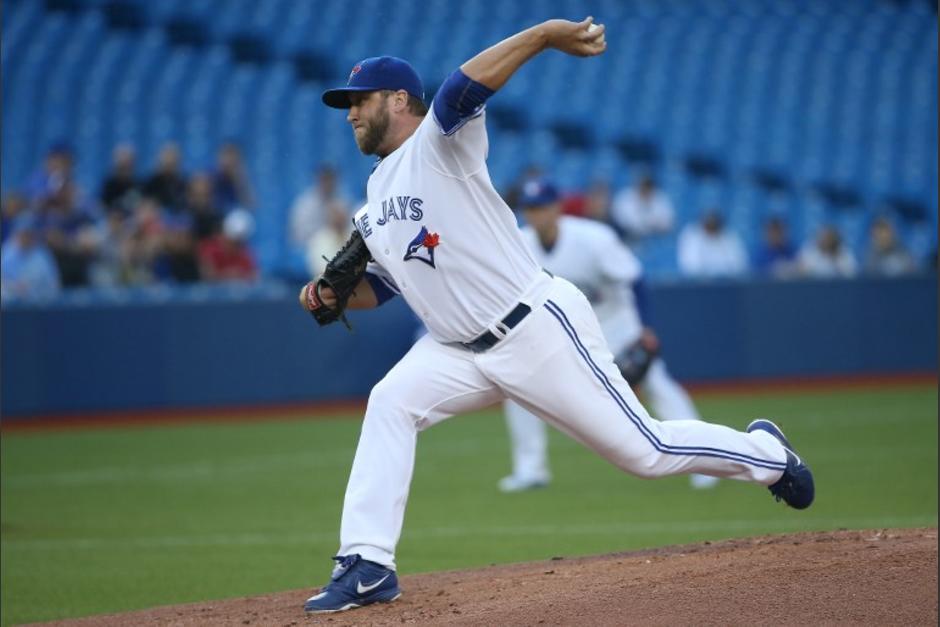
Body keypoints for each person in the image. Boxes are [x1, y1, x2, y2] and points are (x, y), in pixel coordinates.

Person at [299, 18, 813, 615]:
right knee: (390, 402)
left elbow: (461, 88)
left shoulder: (441, 142)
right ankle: (367, 564)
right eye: (346, 105)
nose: (349, 113)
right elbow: (382, 291)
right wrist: (331, 297)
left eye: (358, 101)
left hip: (533, 329)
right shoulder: (374, 202)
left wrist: (543, 35)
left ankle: (768, 456)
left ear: (396, 100)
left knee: (644, 452)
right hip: (455, 351)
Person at [499, 178, 718, 492]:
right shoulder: (520, 243)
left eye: (542, 207)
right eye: (530, 209)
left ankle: (705, 463)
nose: (536, 215)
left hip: (617, 325)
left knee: (656, 384)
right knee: (518, 385)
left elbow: (636, 279)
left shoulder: (593, 239)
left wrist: (646, 328)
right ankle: (530, 470)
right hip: (567, 331)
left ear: (557, 207)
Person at [288, 164, 352, 255]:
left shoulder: (342, 201)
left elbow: (350, 227)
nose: (328, 183)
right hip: (311, 249)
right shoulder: (305, 204)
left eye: (330, 180)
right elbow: (297, 235)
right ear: (318, 180)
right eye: (324, 180)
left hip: (337, 245)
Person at [1, 215, 61, 301]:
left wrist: (32, 287)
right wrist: (13, 287)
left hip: (37, 305)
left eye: (29, 234)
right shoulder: (6, 252)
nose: (25, 238)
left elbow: (54, 284)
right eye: (22, 234)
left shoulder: (43, 255)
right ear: (16, 234)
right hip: (10, 305)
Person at [677, 209, 749, 278]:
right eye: (709, 223)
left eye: (714, 224)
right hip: (700, 285)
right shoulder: (692, 236)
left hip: (728, 285)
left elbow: (739, 266)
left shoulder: (730, 237)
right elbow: (691, 268)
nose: (711, 225)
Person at [197, 208, 258, 282]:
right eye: (234, 240)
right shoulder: (209, 248)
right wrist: (229, 275)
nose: (236, 245)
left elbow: (254, 276)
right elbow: (207, 276)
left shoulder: (245, 253)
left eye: (239, 242)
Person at [610, 172, 675, 239]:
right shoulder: (625, 196)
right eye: (643, 186)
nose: (645, 190)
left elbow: (668, 223)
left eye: (648, 187)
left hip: (655, 238)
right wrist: (650, 224)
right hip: (629, 236)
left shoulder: (660, 197)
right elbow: (624, 221)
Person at [306, 200, 353, 277]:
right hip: (327, 283)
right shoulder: (319, 240)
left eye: (340, 215)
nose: (338, 219)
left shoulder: (353, 236)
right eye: (335, 215)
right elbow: (318, 269)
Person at [143, 142, 188, 213]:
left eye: (172, 160)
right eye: (166, 159)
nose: (169, 162)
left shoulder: (183, 185)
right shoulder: (151, 184)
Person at [211, 141, 255, 213]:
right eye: (226, 156)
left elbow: (251, 205)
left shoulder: (240, 178)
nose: (229, 161)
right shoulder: (211, 176)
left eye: (233, 157)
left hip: (230, 216)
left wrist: (239, 179)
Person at [100, 144, 141, 214]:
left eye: (127, 166)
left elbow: (139, 207)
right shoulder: (108, 185)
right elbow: (102, 207)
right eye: (122, 167)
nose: (125, 168)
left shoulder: (138, 185)